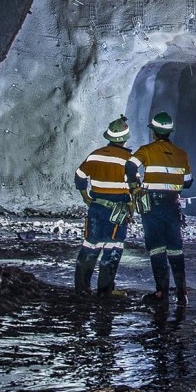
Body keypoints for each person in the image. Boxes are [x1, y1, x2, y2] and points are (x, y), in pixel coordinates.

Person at [128, 111, 193, 304]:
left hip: (152, 205)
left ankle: (161, 292)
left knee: (156, 247)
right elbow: (188, 183)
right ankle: (182, 293)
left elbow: (130, 167)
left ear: (154, 132)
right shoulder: (181, 154)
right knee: (175, 248)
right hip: (172, 204)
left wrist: (135, 187)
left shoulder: (146, 150)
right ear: (169, 132)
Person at [72, 115, 134, 297]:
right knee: (112, 249)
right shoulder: (128, 159)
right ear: (124, 138)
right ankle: (105, 290)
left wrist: (85, 196)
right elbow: (134, 186)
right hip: (117, 210)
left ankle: (82, 289)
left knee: (90, 246)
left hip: (96, 208)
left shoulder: (95, 155)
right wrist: (132, 207)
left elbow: (80, 176)